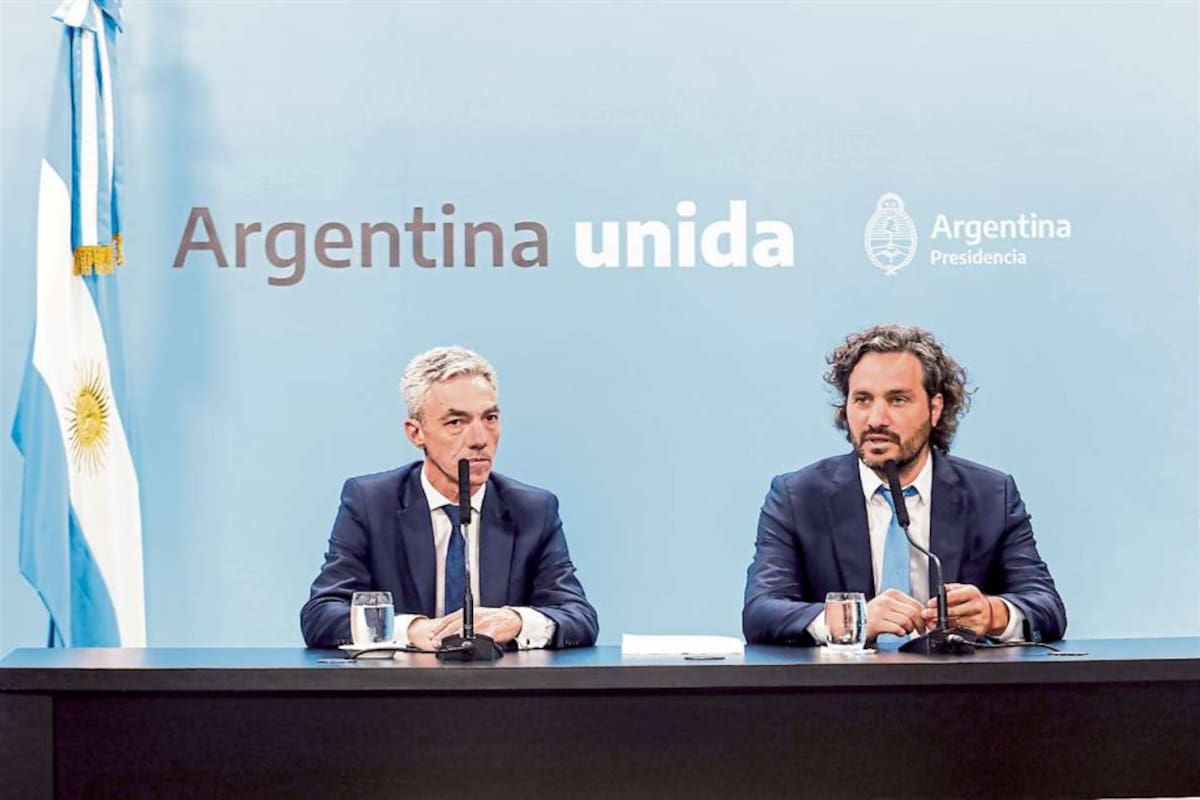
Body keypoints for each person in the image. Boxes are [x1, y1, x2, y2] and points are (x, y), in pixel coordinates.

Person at [742, 324, 1066, 647]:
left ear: (935, 408)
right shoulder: (798, 497)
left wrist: (994, 614)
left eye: (897, 400)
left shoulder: (991, 495)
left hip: (958, 691)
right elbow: (761, 610)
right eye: (862, 400)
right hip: (840, 692)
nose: (876, 419)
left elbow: (1046, 605)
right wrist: (852, 620)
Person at [301, 346, 598, 650]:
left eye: (490, 418)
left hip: (501, 692)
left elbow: (578, 617)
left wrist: (516, 621)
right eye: (456, 422)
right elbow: (321, 614)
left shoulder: (533, 510)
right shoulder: (372, 503)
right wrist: (411, 629)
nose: (480, 439)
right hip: (401, 691)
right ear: (416, 433)